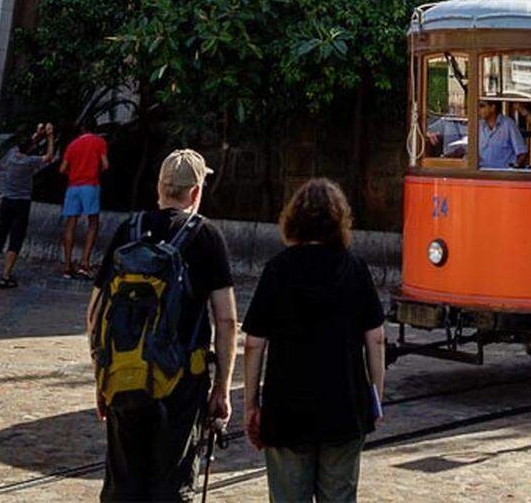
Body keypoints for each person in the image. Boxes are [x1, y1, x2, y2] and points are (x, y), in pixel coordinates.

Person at [90, 148, 236, 503]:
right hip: (181, 382)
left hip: (124, 377)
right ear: (197, 192)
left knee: (123, 485)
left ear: (160, 187)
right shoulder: (206, 236)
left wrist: (103, 375)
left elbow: (94, 312)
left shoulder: (130, 229)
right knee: (171, 486)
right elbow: (227, 319)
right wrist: (223, 387)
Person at [243, 178, 385, 503]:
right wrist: (374, 396)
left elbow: (254, 343)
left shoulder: (277, 269)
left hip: (286, 410)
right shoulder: (355, 268)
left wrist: (251, 404)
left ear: (292, 219)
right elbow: (376, 339)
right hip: (345, 409)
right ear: (340, 220)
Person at [0, 122, 55, 288]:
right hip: (21, 202)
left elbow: (27, 145)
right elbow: (49, 157)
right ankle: (6, 275)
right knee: (15, 239)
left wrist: (37, 134)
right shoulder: (30, 162)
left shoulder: (11, 156)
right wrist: (50, 137)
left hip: (7, 200)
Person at [61, 121, 109, 278]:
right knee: (93, 223)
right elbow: (105, 165)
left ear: (81, 129)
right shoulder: (99, 142)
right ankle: (84, 263)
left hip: (73, 186)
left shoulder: (72, 145)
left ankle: (67, 265)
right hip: (90, 185)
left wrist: (73, 173)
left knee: (70, 224)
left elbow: (62, 168)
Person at [477, 100, 527, 169]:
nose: (478, 109)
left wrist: (513, 169)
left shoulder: (508, 124)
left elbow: (522, 153)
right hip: (481, 172)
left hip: (503, 174)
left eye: (482, 106)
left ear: (492, 107)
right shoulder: (478, 125)